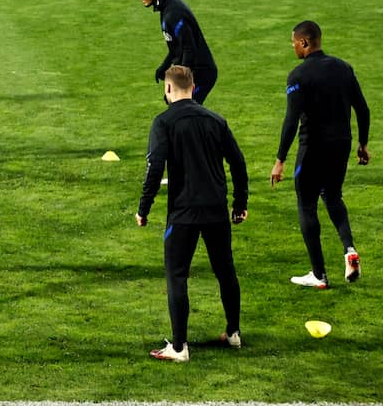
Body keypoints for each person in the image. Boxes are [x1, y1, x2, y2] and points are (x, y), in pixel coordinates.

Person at [137, 66, 248, 363]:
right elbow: (238, 163)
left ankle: (179, 346)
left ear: (169, 89)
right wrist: (239, 204)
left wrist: (143, 209)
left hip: (183, 214)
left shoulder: (163, 122)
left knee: (177, 276)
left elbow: (155, 168)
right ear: (195, 86)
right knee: (226, 272)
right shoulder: (216, 120)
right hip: (216, 212)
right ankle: (234, 333)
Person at [271, 21, 370, 289]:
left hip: (313, 148)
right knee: (334, 196)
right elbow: (363, 109)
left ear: (304, 42)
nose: (292, 46)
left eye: (293, 42)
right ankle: (349, 250)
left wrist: (280, 160)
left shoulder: (299, 76)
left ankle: (319, 274)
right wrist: (362, 143)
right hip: (341, 145)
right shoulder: (343, 68)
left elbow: (291, 121)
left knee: (306, 205)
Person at [137, 0, 217, 105]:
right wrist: (164, 66)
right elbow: (177, 47)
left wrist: (180, 84)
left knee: (183, 110)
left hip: (201, 73)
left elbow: (188, 49)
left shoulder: (174, 13)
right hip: (192, 70)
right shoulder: (167, 8)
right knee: (180, 111)